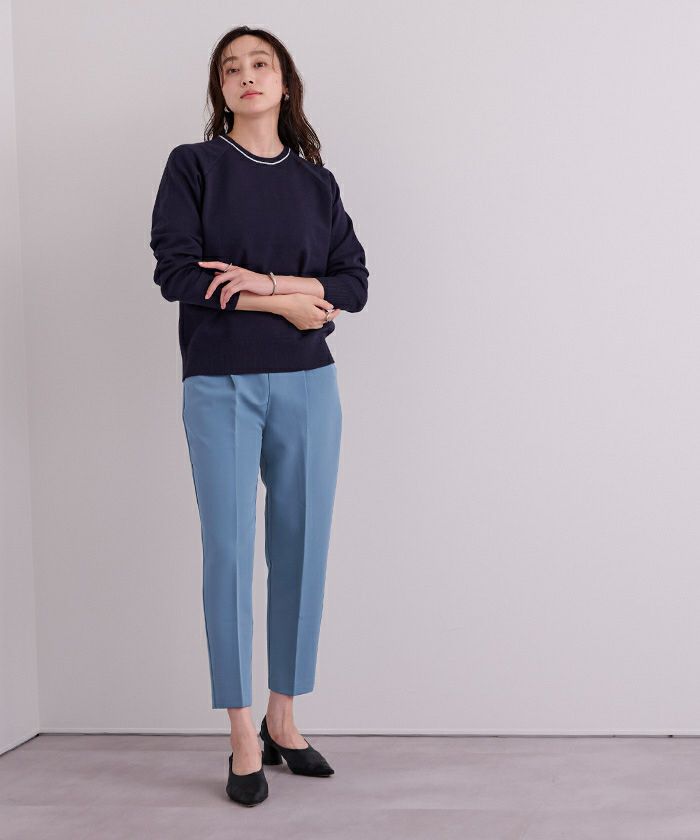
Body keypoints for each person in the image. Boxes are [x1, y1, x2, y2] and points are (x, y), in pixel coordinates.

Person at [149, 25, 369, 806]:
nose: (247, 75)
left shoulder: (317, 182)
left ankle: (285, 717)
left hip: (310, 385)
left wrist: (270, 284)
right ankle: (242, 730)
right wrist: (290, 301)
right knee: (230, 552)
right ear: (221, 89)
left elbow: (353, 282)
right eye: (231, 68)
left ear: (284, 81)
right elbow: (177, 272)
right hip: (220, 381)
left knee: (302, 548)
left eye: (261, 63)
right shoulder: (194, 166)